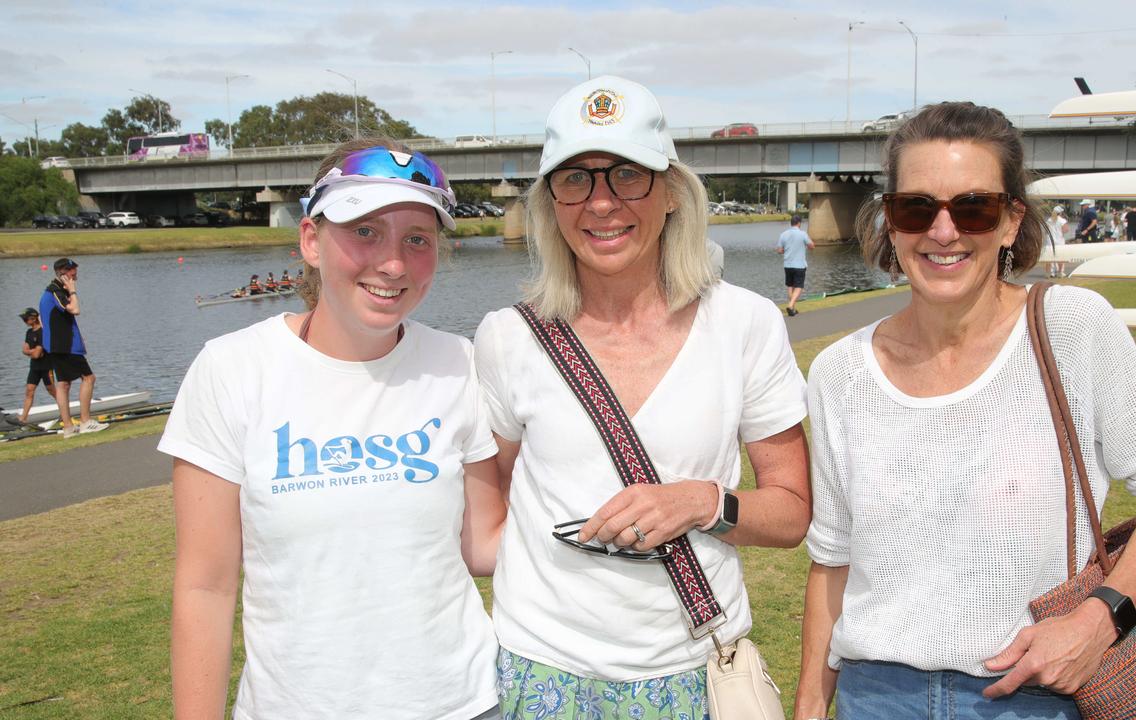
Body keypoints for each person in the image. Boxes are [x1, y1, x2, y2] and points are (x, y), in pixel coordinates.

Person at [795, 102, 1136, 720]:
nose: (943, 231)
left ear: (1012, 220)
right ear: (890, 223)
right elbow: (832, 560)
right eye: (916, 208)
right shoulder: (838, 372)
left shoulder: (1073, 328)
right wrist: (808, 709)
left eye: (973, 207)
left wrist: (1100, 619)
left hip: (1033, 696)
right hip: (873, 697)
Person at [473, 76, 811, 719]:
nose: (601, 203)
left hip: (692, 677)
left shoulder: (746, 323)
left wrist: (703, 502)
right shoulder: (506, 337)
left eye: (627, 175)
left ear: (672, 194)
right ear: (549, 203)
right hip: (541, 677)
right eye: (575, 179)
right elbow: (496, 505)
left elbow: (792, 514)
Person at [163, 139, 506, 720]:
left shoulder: (460, 362)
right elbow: (205, 588)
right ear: (310, 240)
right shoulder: (231, 368)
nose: (393, 263)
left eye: (416, 239)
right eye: (365, 231)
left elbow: (483, 544)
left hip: (462, 705)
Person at [38, 257, 108, 438]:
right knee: (89, 378)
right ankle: (85, 422)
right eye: (72, 273)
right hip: (64, 345)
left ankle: (68, 427)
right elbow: (75, 309)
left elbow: (43, 318)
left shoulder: (54, 290)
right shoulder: (55, 291)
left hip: (55, 344)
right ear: (63, 273)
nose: (75, 276)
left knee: (63, 384)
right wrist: (73, 291)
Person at [17, 307, 55, 424]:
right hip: (34, 368)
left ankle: (65, 411)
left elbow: (37, 354)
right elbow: (25, 349)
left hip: (46, 366)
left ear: (33, 319)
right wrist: (31, 351)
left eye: (25, 319)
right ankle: (23, 418)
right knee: (29, 390)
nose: (24, 322)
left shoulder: (43, 332)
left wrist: (30, 351)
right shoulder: (29, 332)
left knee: (51, 390)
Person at [778, 213, 816, 316]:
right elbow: (812, 246)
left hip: (787, 264)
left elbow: (780, 250)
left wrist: (786, 249)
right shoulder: (803, 234)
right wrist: (809, 246)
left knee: (790, 286)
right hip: (799, 265)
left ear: (791, 223)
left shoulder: (783, 234)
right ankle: (790, 305)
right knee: (799, 286)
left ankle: (793, 308)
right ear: (799, 223)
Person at [1045, 205, 1068, 277]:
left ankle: (1049, 273)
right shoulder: (1062, 221)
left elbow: (1046, 231)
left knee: (1049, 257)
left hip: (1050, 241)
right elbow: (1065, 230)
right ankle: (1060, 272)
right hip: (1059, 241)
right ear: (1060, 213)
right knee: (1061, 256)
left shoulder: (1049, 220)